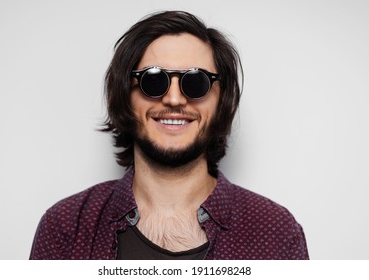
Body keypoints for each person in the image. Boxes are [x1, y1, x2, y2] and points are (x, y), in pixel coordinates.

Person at [30, 10, 309, 260]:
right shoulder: (65, 228)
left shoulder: (276, 233)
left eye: (196, 81)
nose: (174, 99)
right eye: (154, 80)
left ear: (222, 101)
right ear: (124, 96)